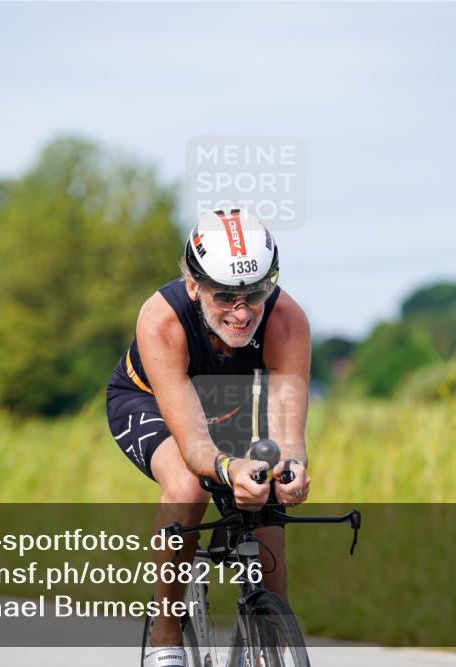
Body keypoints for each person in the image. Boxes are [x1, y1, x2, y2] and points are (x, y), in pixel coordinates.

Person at [106, 208, 312, 667]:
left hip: (231, 400)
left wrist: (291, 467)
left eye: (257, 292)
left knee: (268, 501)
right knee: (186, 484)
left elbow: (288, 431)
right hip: (151, 400)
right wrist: (226, 467)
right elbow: (196, 445)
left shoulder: (287, 320)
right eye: (225, 297)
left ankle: (273, 643)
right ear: (194, 285)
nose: (242, 313)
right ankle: (165, 634)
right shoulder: (162, 319)